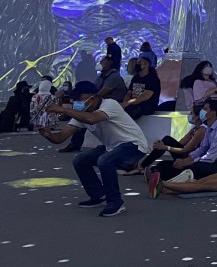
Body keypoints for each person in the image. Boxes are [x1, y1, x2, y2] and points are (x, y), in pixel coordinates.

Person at [39, 81, 150, 217]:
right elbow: (60, 138)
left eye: (80, 99)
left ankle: (115, 202)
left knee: (104, 161)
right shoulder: (81, 114)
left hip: (134, 145)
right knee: (80, 160)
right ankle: (98, 195)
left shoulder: (110, 104)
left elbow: (92, 119)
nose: (76, 103)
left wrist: (64, 110)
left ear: (93, 98)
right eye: (74, 100)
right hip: (112, 147)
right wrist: (47, 134)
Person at [149, 99, 217, 193]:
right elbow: (202, 149)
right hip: (213, 161)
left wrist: (188, 162)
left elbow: (210, 157)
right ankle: (161, 177)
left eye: (205, 109)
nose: (202, 111)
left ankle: (169, 184)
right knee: (165, 164)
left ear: (213, 112)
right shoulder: (209, 127)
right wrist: (186, 160)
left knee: (195, 167)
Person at [137, 108, 207, 174]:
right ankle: (143, 167)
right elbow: (180, 143)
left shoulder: (201, 130)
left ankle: (144, 167)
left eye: (191, 113)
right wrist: (159, 146)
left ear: (197, 117)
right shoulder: (195, 128)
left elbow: (185, 150)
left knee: (161, 164)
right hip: (186, 155)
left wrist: (165, 147)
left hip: (190, 159)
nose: (189, 116)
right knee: (166, 142)